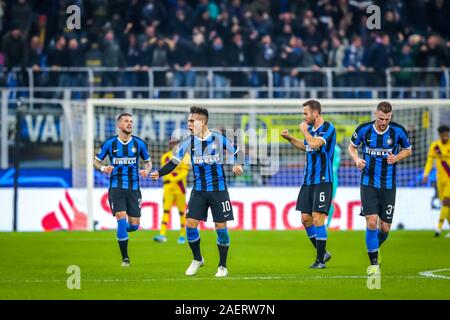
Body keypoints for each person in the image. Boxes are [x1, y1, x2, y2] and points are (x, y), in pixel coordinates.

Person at [151, 106, 244, 278]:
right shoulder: (187, 142)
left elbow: (239, 153)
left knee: (221, 227)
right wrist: (159, 172)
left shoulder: (218, 138)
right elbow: (173, 163)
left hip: (218, 190)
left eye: (192, 121)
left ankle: (222, 266)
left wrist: (238, 165)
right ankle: (197, 259)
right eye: (188, 121)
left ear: (203, 122)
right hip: (198, 190)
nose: (189, 124)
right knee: (190, 225)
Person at [348, 101, 412, 275]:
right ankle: (374, 264)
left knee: (385, 228)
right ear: (376, 114)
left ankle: (375, 246)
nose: (384, 122)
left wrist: (397, 157)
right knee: (371, 222)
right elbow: (352, 147)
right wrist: (356, 159)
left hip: (389, 186)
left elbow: (408, 150)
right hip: (368, 183)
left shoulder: (398, 131)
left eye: (387, 119)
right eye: (382, 118)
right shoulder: (364, 129)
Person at [281, 99, 336, 269]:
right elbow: (306, 146)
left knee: (318, 217)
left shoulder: (328, 128)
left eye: (306, 113)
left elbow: (314, 143)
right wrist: (290, 138)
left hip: (323, 180)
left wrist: (304, 131)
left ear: (316, 112)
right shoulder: (310, 129)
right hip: (308, 180)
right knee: (305, 219)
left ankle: (320, 260)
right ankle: (324, 252)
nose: (304, 117)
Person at [94, 113, 152, 267]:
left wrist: (146, 170)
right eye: (126, 121)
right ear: (119, 125)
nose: (129, 123)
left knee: (133, 225)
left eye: (131, 121)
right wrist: (103, 168)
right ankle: (125, 258)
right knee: (121, 217)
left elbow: (148, 163)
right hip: (116, 187)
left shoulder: (139, 144)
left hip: (133, 188)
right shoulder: (109, 143)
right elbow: (96, 161)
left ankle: (121, 230)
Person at [154, 138, 190, 244]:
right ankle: (162, 234)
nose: (172, 145)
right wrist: (169, 179)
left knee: (182, 212)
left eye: (174, 143)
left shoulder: (185, 156)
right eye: (171, 143)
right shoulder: (164, 157)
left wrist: (173, 179)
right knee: (166, 210)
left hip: (180, 188)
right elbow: (164, 171)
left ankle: (182, 235)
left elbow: (185, 172)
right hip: (168, 188)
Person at [423, 125, 450, 237]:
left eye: (446, 135)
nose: (445, 137)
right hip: (440, 179)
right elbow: (430, 161)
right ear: (439, 135)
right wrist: (426, 174)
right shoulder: (435, 146)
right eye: (443, 135)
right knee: (447, 205)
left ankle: (438, 228)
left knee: (446, 202)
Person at [327, 144, 341, 228]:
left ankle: (328, 223)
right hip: (325, 177)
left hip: (332, 178)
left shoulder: (336, 149)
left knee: (331, 201)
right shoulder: (324, 146)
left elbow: (335, 165)